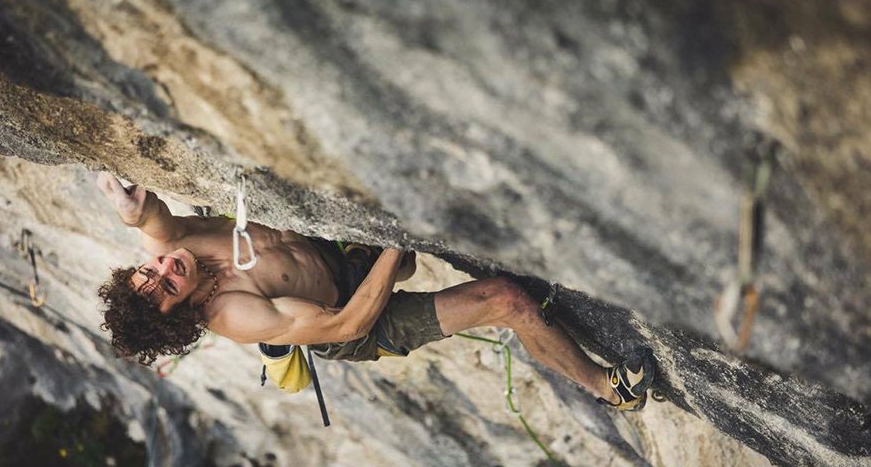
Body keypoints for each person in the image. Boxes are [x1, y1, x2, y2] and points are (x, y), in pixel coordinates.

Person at [95, 172, 655, 410]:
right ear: (182, 312)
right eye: (167, 284)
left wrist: (133, 209)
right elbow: (346, 326)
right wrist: (393, 238)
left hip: (332, 256)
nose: (167, 267)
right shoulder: (233, 313)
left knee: (401, 262)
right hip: (349, 320)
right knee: (508, 300)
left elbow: (155, 224)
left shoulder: (177, 248)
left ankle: (392, 262)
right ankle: (609, 388)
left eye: (150, 271)